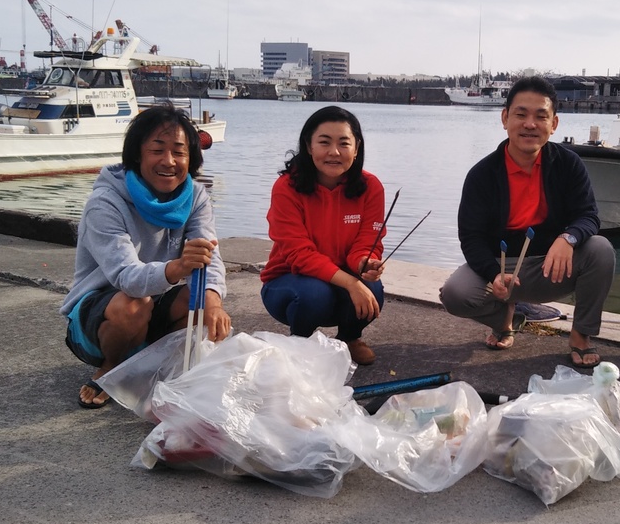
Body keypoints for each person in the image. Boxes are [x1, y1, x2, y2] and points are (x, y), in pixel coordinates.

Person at [60, 102, 231, 408]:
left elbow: (210, 257)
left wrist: (214, 301)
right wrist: (177, 267)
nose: (169, 161)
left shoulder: (196, 198)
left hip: (157, 300)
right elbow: (126, 277)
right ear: (137, 154)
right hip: (101, 316)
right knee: (134, 303)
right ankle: (111, 369)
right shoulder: (106, 202)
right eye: (158, 150)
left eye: (179, 151)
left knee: (204, 302)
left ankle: (157, 367)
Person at [439, 76, 616, 368]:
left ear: (554, 124)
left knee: (600, 249)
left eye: (540, 116)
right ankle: (504, 319)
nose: (530, 124)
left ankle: (581, 334)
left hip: (552, 265)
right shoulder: (482, 174)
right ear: (505, 118)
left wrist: (568, 238)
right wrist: (493, 273)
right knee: (455, 293)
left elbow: (588, 215)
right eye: (521, 114)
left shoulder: (568, 164)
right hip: (504, 266)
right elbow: (471, 237)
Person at [260, 106, 386, 365]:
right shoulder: (286, 188)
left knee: (373, 288)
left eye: (344, 143)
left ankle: (349, 340)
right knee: (315, 294)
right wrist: (351, 283)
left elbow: (367, 243)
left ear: (357, 147)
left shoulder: (371, 186)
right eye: (324, 142)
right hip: (289, 279)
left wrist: (365, 262)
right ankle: (300, 344)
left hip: (340, 277)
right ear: (308, 146)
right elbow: (299, 254)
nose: (334, 152)